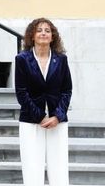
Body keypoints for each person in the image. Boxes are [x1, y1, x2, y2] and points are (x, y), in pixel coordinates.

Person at [15, 18, 72, 186]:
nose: (43, 33)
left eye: (47, 31)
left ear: (53, 36)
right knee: (32, 167)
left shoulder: (61, 59)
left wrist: (57, 116)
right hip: (31, 121)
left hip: (57, 122)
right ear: (32, 35)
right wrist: (40, 116)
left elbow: (66, 90)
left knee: (59, 168)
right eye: (39, 30)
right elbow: (21, 93)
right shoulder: (22, 59)